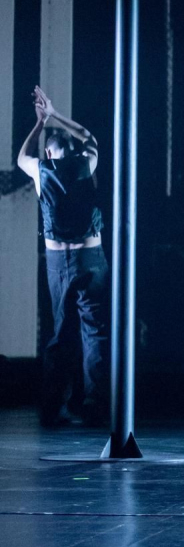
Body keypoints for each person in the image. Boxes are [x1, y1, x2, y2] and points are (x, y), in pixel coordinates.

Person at [16, 86, 109, 428]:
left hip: (60, 262)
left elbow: (22, 157)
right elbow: (89, 137)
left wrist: (40, 123)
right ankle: (93, 405)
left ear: (50, 152)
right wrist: (56, 115)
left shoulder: (42, 170)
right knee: (94, 333)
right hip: (91, 257)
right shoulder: (86, 164)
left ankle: (52, 407)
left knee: (61, 334)